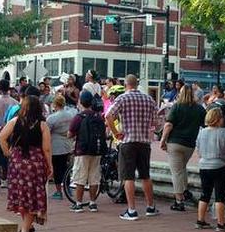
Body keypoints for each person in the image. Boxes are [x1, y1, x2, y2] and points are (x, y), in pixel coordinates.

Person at [0, 94, 52, 232]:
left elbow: (2, 137)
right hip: (35, 162)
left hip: (17, 161)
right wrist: (49, 165)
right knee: (33, 195)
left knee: (21, 195)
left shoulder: (15, 121)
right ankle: (25, 229)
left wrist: (7, 152)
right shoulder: (42, 124)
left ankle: (27, 225)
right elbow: (46, 148)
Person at [105, 74, 159, 221]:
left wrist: (116, 133)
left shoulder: (122, 98)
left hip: (128, 141)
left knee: (128, 176)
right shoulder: (149, 99)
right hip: (144, 142)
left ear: (126, 84)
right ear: (137, 84)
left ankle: (132, 210)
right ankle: (150, 206)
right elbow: (156, 122)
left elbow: (108, 116)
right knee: (145, 175)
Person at [160, 85, 204, 213]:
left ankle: (179, 201)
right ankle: (185, 191)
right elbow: (205, 123)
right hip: (189, 144)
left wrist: (163, 139)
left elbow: (168, 124)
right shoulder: (199, 109)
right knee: (182, 168)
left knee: (177, 172)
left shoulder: (177, 106)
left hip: (175, 143)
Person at [194, 107, 225, 231]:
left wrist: (203, 157)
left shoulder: (201, 132)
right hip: (220, 166)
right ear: (218, 119)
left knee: (205, 194)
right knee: (220, 195)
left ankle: (200, 220)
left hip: (204, 166)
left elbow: (198, 149)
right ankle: (220, 223)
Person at [68, 91, 107, 213]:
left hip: (82, 150)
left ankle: (79, 203)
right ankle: (92, 203)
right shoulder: (98, 117)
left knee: (80, 178)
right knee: (94, 178)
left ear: (81, 102)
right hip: (96, 150)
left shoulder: (79, 117)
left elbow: (70, 133)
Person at [46, 95, 78, 201]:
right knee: (65, 167)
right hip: (67, 144)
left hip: (55, 145)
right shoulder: (71, 115)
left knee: (57, 168)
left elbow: (47, 132)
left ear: (55, 104)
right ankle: (67, 188)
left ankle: (59, 191)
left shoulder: (52, 118)